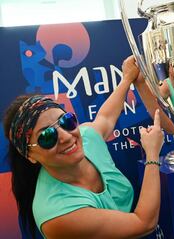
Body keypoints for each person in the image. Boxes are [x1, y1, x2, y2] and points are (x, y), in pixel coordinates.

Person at [2, 56, 164, 239]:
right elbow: (144, 223)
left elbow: (105, 118)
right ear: (30, 155)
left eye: (66, 121)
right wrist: (152, 154)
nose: (66, 136)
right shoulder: (57, 214)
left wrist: (127, 78)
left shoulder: (86, 139)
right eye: (47, 137)